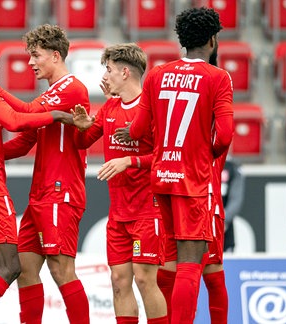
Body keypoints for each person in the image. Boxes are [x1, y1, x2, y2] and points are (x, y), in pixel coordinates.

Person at [0, 24, 92, 324]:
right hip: (40, 195)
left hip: (62, 191)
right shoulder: (52, 93)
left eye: (36, 55)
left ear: (55, 56)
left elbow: (25, 113)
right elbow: (27, 139)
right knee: (25, 270)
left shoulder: (71, 88)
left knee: (61, 270)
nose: (30, 62)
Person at [114, 7, 234, 323]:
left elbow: (139, 130)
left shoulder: (155, 74)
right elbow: (224, 137)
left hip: (162, 179)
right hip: (194, 181)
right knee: (193, 264)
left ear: (181, 40)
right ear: (213, 40)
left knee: (169, 260)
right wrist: (199, 154)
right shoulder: (218, 77)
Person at [72, 43, 168, 324]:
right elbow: (83, 143)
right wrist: (81, 126)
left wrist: (130, 161)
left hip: (147, 210)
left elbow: (166, 156)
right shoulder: (110, 107)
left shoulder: (152, 109)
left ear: (125, 72)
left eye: (110, 69)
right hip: (119, 213)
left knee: (144, 278)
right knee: (118, 279)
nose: (106, 75)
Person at [200, 154, 243, 323]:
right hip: (197, 222)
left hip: (222, 226)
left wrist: (224, 219)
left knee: (217, 274)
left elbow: (236, 198)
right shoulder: (196, 158)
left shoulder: (233, 167)